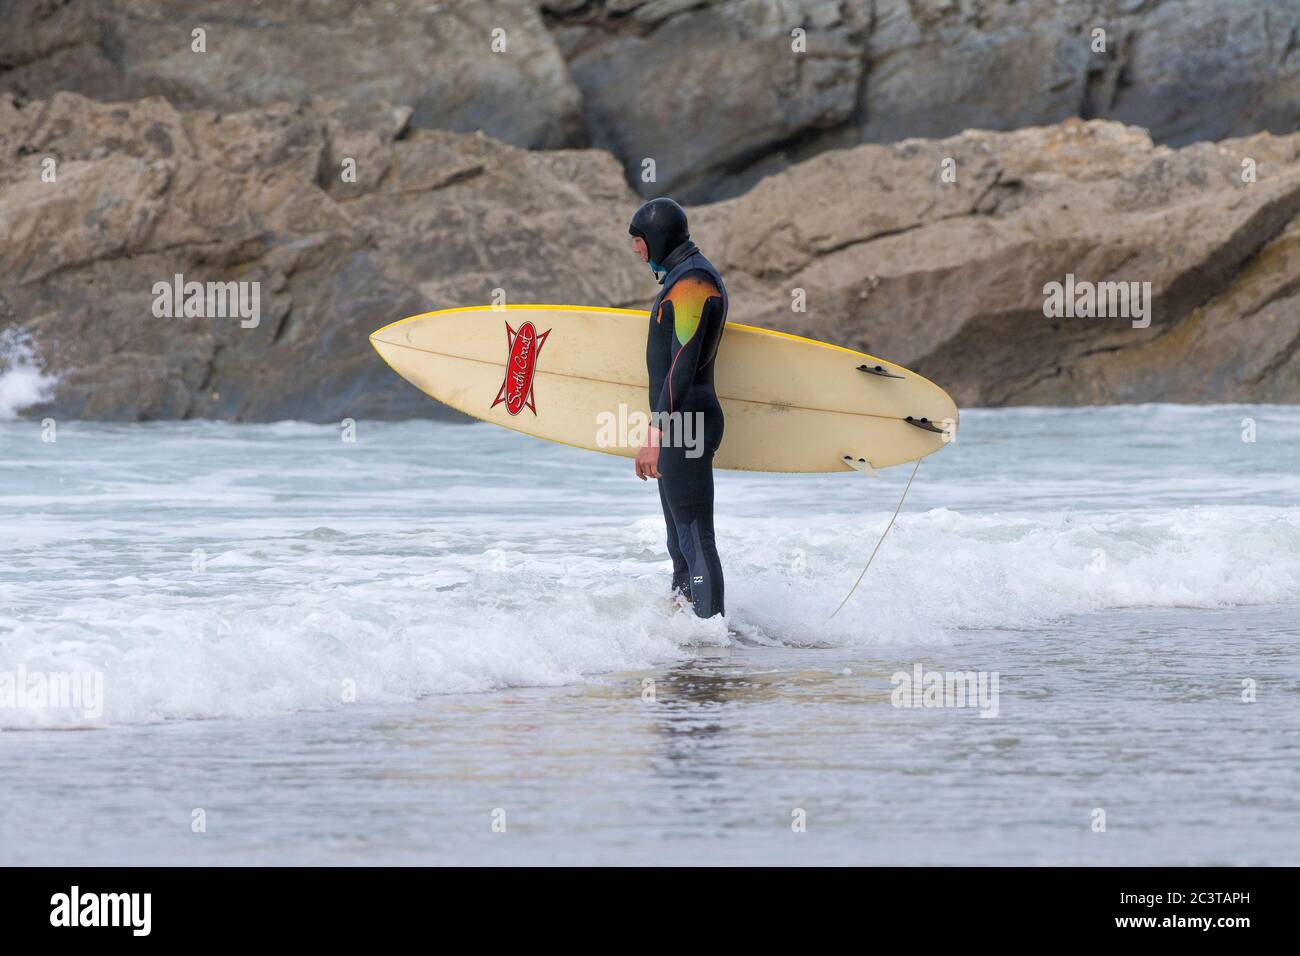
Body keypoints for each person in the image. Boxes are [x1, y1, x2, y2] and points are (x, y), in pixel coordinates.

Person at [628, 198, 727, 618]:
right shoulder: (682, 277)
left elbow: (682, 367)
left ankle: (711, 635)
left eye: (638, 240)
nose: (635, 249)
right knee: (678, 540)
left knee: (693, 533)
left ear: (655, 237)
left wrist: (655, 434)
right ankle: (689, 629)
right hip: (680, 422)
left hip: (686, 421)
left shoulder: (693, 283)